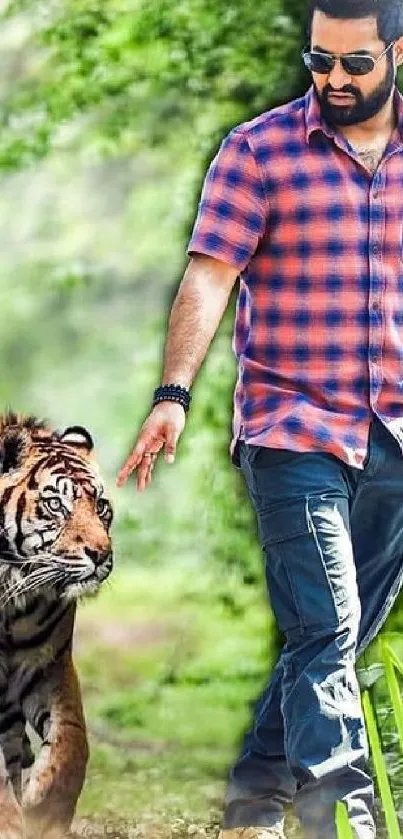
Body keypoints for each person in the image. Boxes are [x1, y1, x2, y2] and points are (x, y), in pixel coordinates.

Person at [117, 0, 403, 836]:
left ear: (396, 52)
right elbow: (210, 277)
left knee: (335, 640)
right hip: (291, 426)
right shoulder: (258, 149)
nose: (334, 80)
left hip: (394, 431)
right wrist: (173, 393)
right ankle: (333, 818)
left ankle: (253, 791)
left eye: (355, 64)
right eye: (320, 62)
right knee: (327, 623)